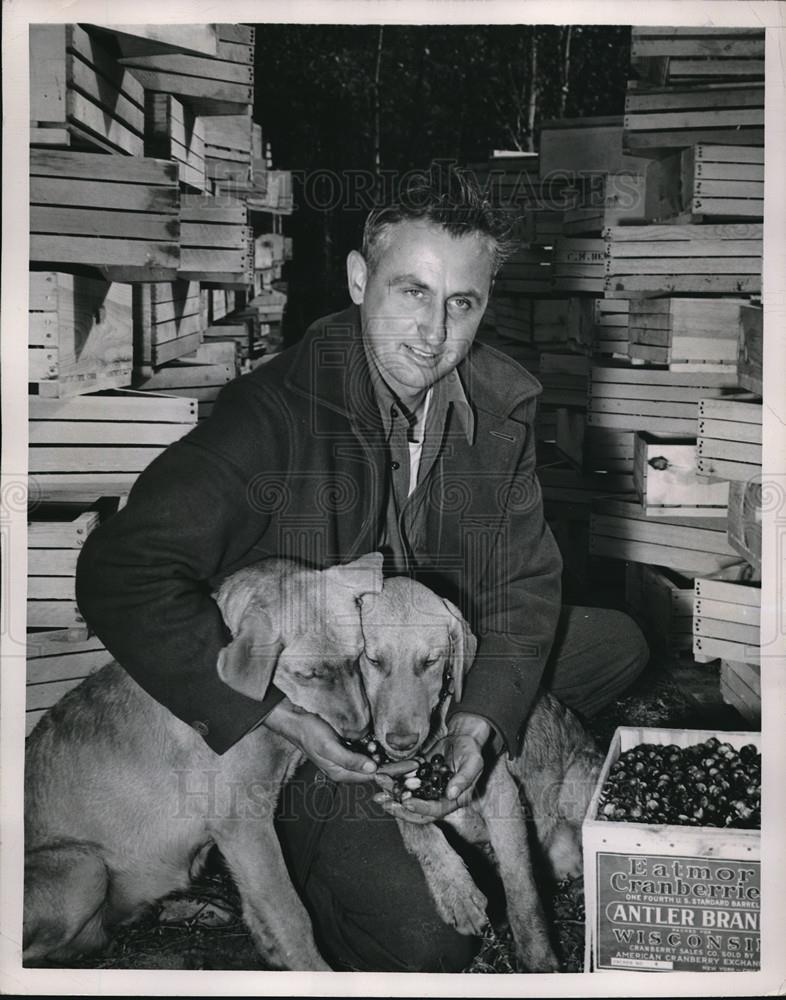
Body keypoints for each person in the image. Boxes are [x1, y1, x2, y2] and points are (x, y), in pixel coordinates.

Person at [75, 166, 648, 972]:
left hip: (420, 653)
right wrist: (275, 712)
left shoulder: (499, 408)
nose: (433, 333)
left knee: (617, 641)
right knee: (425, 940)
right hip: (328, 711)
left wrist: (478, 725)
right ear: (357, 279)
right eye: (410, 292)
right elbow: (117, 572)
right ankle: (352, 823)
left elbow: (523, 587)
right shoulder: (270, 413)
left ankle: (480, 731)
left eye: (462, 303)